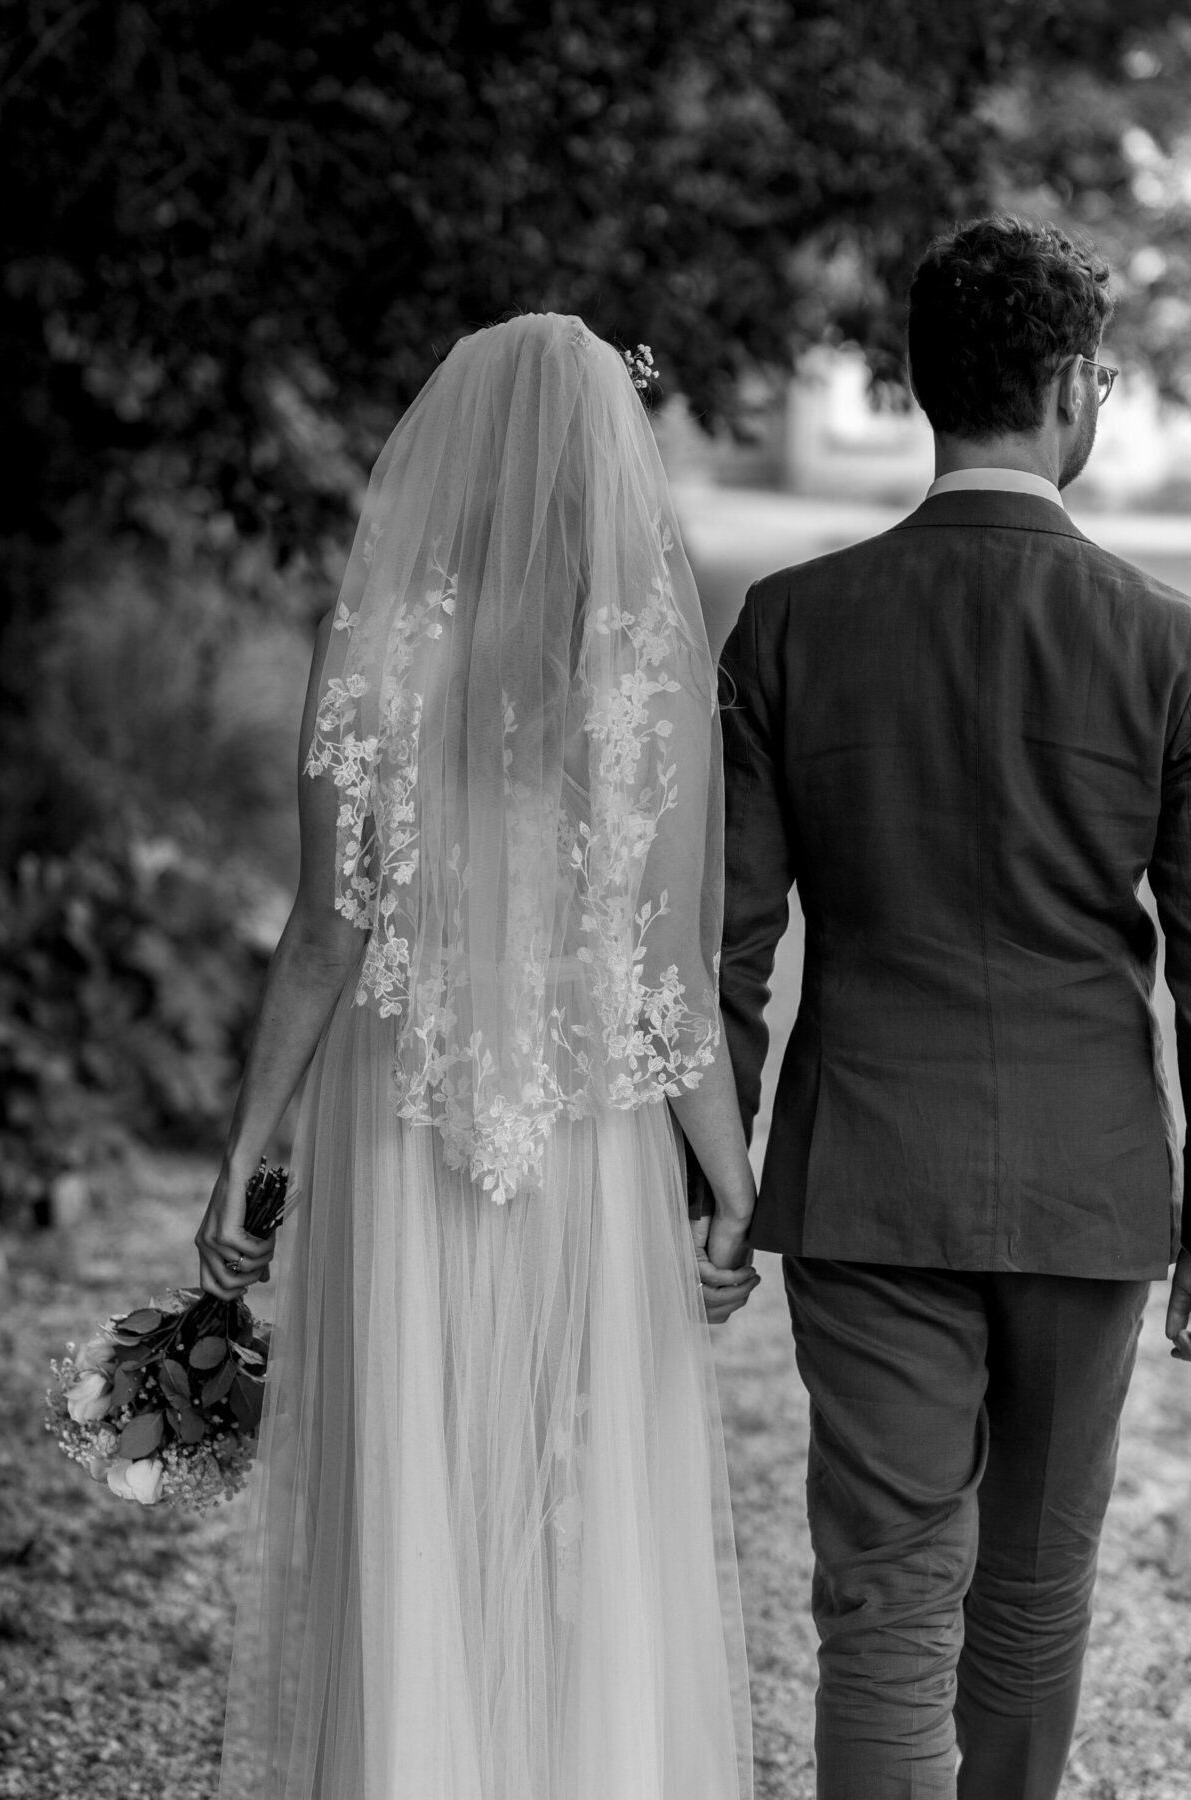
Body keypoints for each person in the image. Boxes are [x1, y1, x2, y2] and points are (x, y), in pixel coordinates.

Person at [194, 313, 759, 1800]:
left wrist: (249, 1145)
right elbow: (668, 968)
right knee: (576, 1510)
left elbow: (323, 925)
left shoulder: (372, 638)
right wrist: (730, 1180)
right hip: (580, 1130)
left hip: (400, 1121)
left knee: (411, 1503)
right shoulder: (642, 657)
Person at [717, 214, 1191, 1800]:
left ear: (927, 387)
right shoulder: (1163, 645)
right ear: (1070, 387)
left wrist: (709, 1173)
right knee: (1037, 1598)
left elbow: (726, 937)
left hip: (865, 1172)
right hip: (1089, 1187)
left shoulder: (791, 621)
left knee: (883, 1605)